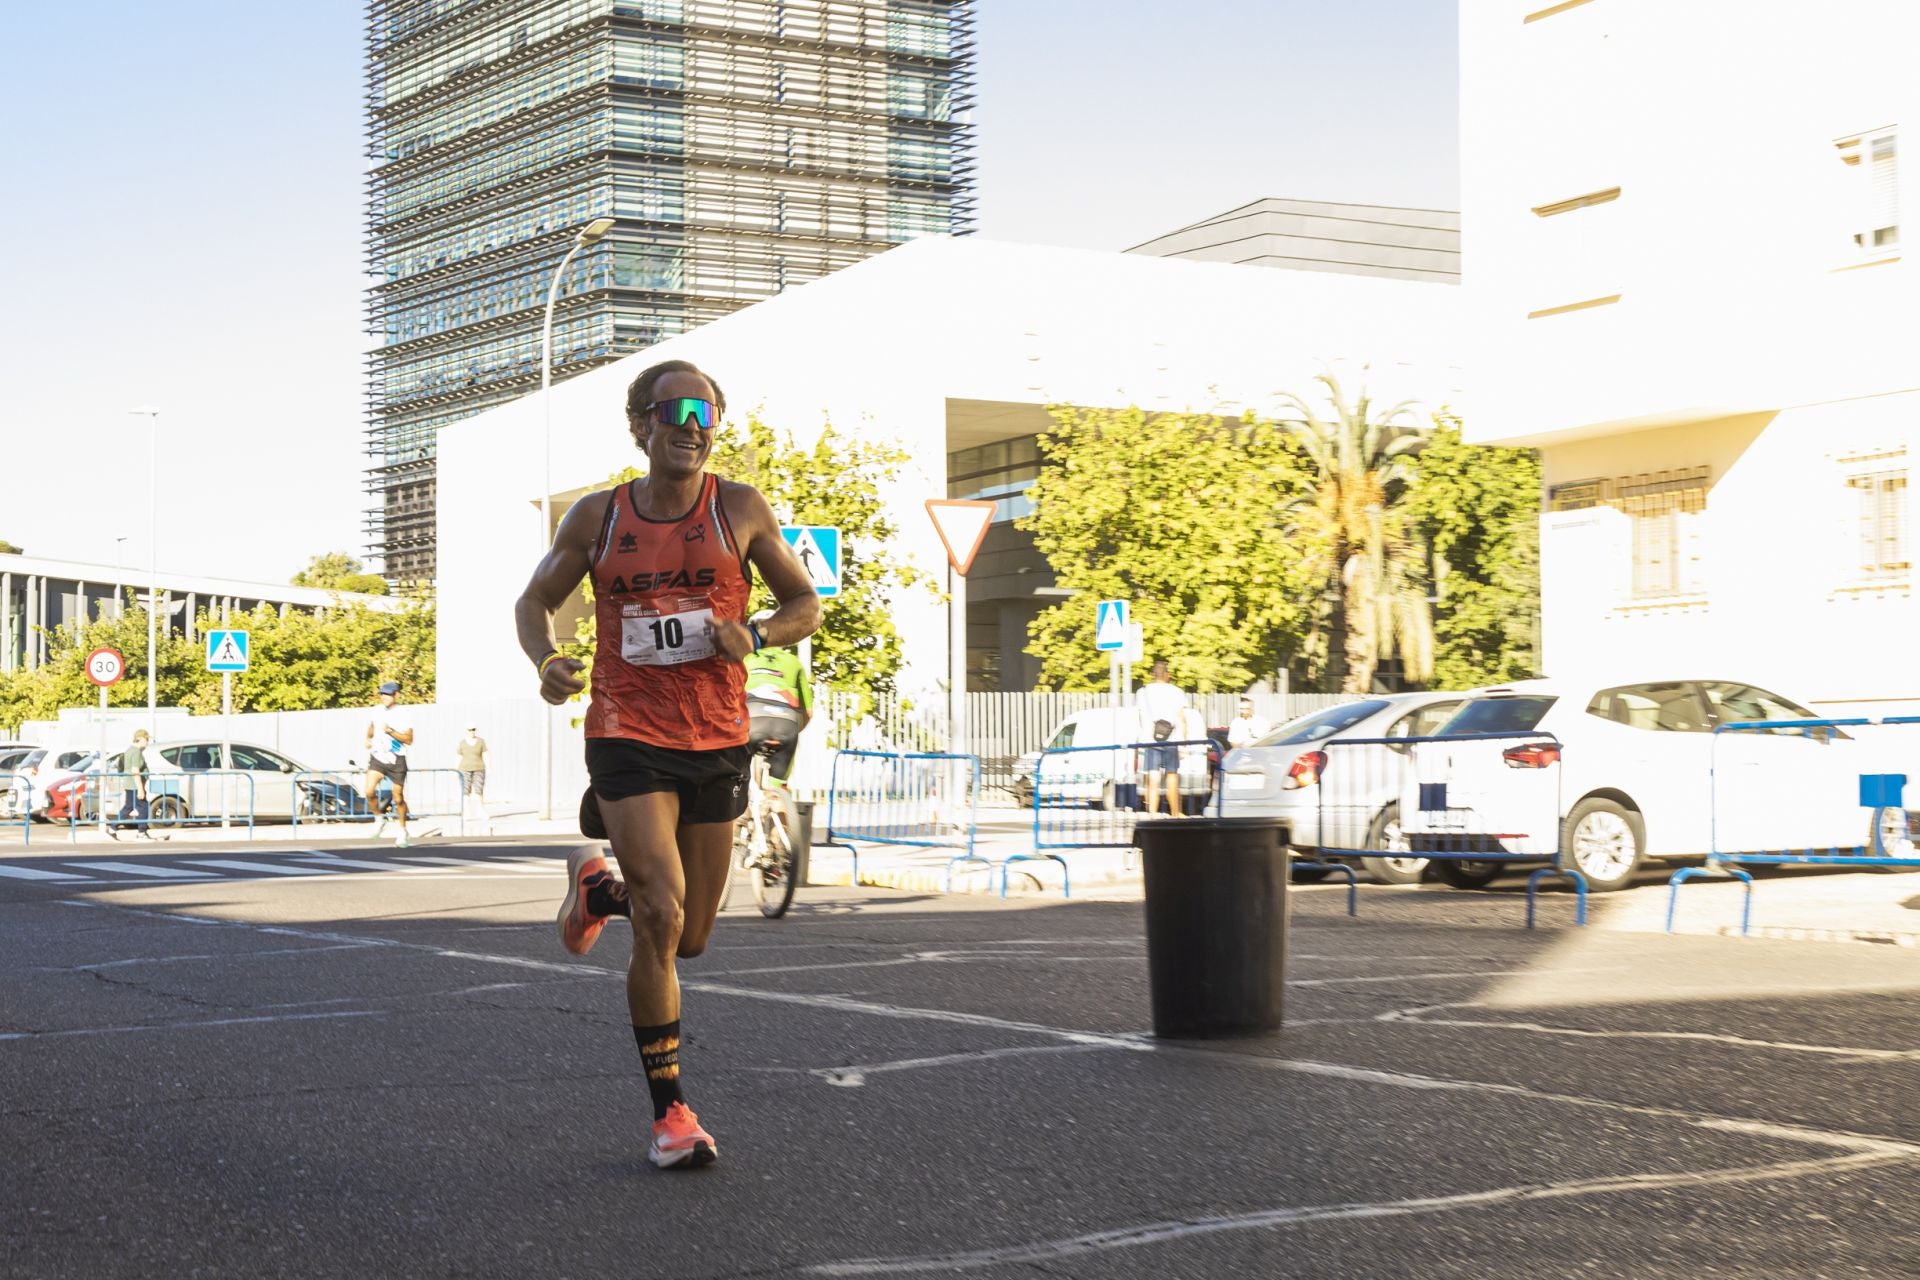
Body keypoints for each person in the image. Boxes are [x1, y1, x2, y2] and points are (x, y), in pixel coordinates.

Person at [515, 358, 822, 1170]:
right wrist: (546, 659)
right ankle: (671, 1114)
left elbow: (805, 604)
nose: (692, 424)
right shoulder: (597, 517)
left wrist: (753, 634)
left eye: (707, 411)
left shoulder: (740, 509)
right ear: (639, 424)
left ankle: (597, 891)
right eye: (675, 409)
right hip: (624, 729)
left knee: (691, 937)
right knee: (661, 915)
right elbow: (533, 600)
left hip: (714, 734)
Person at [741, 609, 812, 789]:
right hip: (787, 725)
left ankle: (742, 811)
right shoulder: (794, 662)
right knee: (779, 788)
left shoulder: (744, 658)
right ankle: (779, 803)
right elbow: (808, 712)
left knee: (737, 777)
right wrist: (794, 730)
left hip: (752, 723)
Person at [363, 680, 415, 848]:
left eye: (388, 694)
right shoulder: (376, 711)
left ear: (396, 695)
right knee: (369, 790)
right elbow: (371, 727)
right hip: (379, 757)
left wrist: (391, 731)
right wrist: (368, 738)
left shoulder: (404, 714)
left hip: (396, 758)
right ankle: (379, 818)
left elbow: (409, 740)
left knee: (398, 798)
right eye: (382, 694)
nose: (384, 697)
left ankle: (402, 830)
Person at [1136, 659, 1187, 817]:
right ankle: (1175, 814)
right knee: (1172, 777)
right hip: (1172, 740)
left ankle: (1152, 815)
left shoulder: (1142, 692)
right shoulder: (1177, 692)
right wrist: (1184, 743)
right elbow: (1182, 719)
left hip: (1151, 741)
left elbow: (1140, 717)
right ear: (1167, 674)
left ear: (1152, 674)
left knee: (1153, 779)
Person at [109, 729, 154, 840]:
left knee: (128, 807)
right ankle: (141, 833)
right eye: (146, 739)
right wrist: (140, 788)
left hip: (130, 784)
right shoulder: (136, 752)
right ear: (140, 739)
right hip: (135, 784)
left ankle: (112, 828)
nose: (147, 742)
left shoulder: (129, 750)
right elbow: (135, 770)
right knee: (144, 808)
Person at [455, 726, 491, 835]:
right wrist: (456, 770)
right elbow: (458, 756)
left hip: (479, 768)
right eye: (470, 730)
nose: (472, 731)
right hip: (464, 769)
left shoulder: (481, 742)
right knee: (466, 791)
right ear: (466, 731)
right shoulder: (462, 743)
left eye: (473, 729)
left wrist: (488, 767)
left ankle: (480, 811)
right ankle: (467, 812)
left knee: (479, 790)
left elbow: (485, 755)